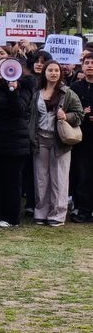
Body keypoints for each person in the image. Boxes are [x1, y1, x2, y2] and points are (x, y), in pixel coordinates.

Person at [30, 61, 83, 227]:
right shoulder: (37, 93)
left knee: (59, 178)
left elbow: (79, 114)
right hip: (40, 138)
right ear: (44, 73)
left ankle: (58, 213)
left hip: (60, 140)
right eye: (50, 70)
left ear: (60, 73)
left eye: (56, 70)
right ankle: (41, 211)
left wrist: (66, 116)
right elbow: (32, 117)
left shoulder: (67, 93)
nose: (53, 73)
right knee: (41, 178)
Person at [0, 59, 32, 228]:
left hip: (14, 141)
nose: (1, 70)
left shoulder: (25, 88)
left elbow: (19, 109)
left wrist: (13, 90)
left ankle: (11, 217)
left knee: (11, 181)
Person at [71, 53, 93, 222]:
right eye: (87, 62)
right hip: (81, 140)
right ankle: (83, 209)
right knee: (82, 175)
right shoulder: (75, 88)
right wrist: (81, 114)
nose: (90, 65)